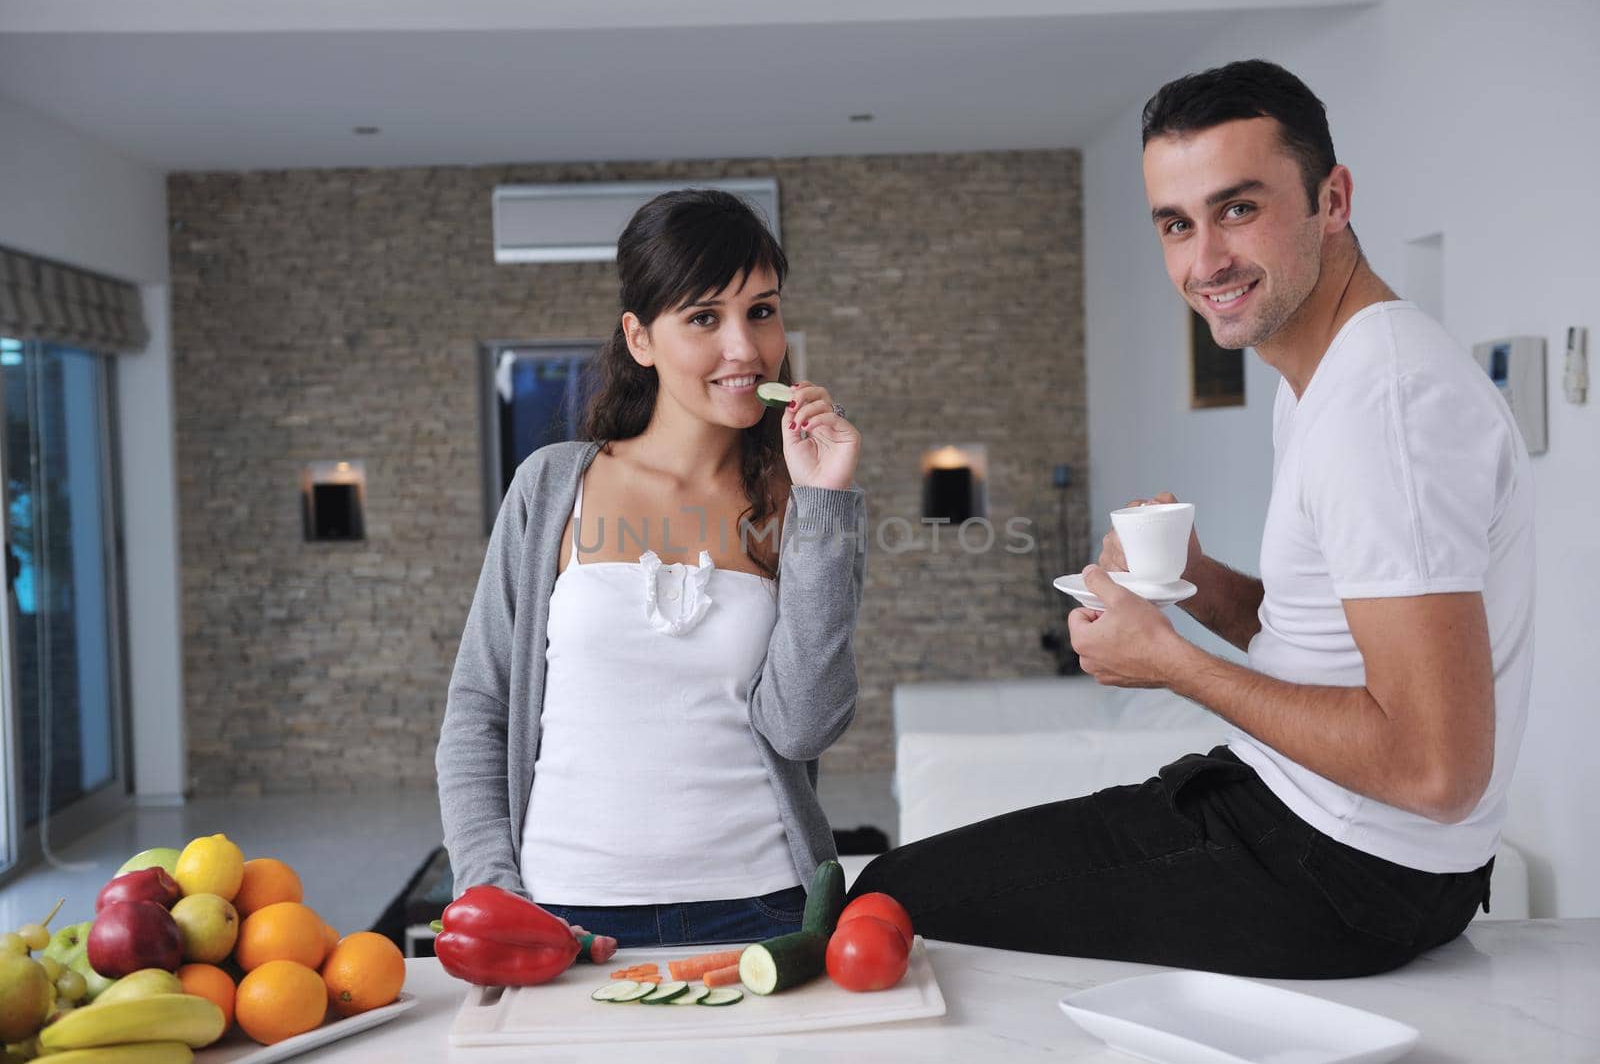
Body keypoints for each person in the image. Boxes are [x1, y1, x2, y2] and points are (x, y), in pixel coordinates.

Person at [850, 59, 1533, 978]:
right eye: (1178, 223)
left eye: (1239, 209)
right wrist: (1201, 588)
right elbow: (1333, 646)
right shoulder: (1334, 375)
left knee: (889, 898)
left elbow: (1437, 769)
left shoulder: (1387, 405)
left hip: (1339, 872)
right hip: (1331, 838)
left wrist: (1172, 661)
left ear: (1332, 198)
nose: (1204, 261)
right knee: (911, 886)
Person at [437, 188, 866, 948]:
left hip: (765, 908)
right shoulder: (552, 484)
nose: (745, 347)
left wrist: (825, 504)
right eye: (705, 317)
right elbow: (479, 708)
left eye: (761, 311)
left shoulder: (798, 500)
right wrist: (492, 891)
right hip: (563, 910)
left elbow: (803, 727)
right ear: (640, 337)